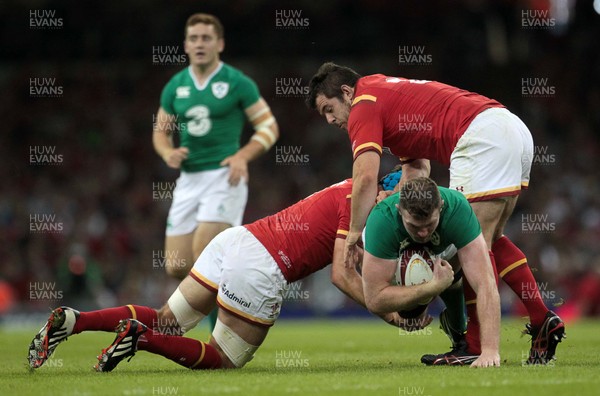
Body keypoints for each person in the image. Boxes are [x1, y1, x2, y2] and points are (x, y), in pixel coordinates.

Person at [28, 179, 446, 372]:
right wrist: (391, 312)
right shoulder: (365, 205)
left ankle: (76, 320)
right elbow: (342, 275)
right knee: (223, 359)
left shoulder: (348, 189)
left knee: (169, 319)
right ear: (389, 192)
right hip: (263, 265)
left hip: (236, 240)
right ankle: (141, 337)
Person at [306, 62, 565, 366]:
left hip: (480, 137)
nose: (329, 119)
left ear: (347, 93)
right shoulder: (384, 92)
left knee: (472, 245)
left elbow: (364, 177)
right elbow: (417, 167)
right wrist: (398, 194)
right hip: (509, 128)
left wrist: (353, 234)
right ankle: (539, 317)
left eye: (328, 108)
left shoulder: (363, 104)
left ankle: (474, 344)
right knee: (489, 240)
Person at [153, 13, 279, 281]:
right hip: (189, 179)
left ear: (220, 44)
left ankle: (220, 322)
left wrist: (242, 156)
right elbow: (160, 133)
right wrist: (167, 152)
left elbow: (269, 127)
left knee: (204, 257)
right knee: (177, 266)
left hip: (224, 177)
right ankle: (232, 290)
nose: (200, 44)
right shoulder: (175, 86)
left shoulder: (238, 83)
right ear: (185, 45)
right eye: (194, 38)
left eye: (206, 38)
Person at [362, 177, 499, 367]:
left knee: (475, 261)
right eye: (414, 226)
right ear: (399, 210)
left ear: (440, 207)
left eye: (429, 224)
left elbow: (485, 282)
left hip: (444, 250)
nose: (423, 233)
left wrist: (490, 350)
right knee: (410, 316)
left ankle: (460, 332)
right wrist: (432, 287)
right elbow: (374, 300)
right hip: (395, 258)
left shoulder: (457, 208)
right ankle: (446, 306)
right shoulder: (381, 222)